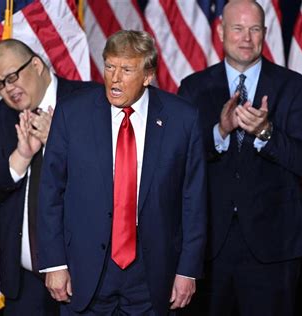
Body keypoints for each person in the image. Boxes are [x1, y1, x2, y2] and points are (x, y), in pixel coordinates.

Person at [37, 30, 207, 316]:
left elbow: (194, 200)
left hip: (152, 273)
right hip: (85, 271)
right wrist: (55, 264)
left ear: (148, 75)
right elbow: (51, 191)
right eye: (109, 66)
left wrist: (188, 270)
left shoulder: (182, 119)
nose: (114, 78)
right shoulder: (73, 114)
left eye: (126, 70)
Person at [178, 1, 302, 315]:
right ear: (220, 31)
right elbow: (178, 163)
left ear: (265, 34)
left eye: (254, 29)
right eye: (238, 28)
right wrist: (220, 131)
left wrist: (267, 133)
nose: (246, 37)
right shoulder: (193, 89)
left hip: (275, 248)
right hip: (209, 248)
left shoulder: (294, 87)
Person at [0, 39, 95, 315]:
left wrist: (61, 145)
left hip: (84, 275)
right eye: (0, 84)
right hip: (25, 284)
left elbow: (116, 175)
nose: (8, 89)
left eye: (12, 77)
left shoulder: (90, 101)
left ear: (37, 65)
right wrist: (21, 158)